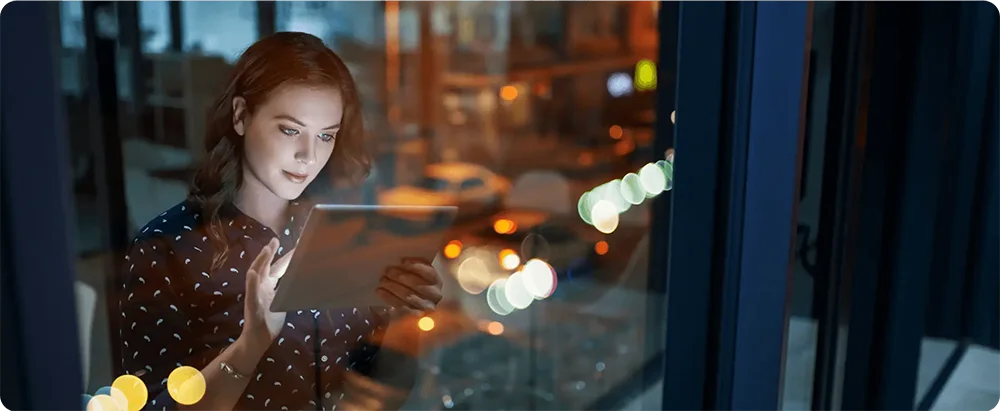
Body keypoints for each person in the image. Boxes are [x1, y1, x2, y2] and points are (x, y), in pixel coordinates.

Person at [118, 32, 442, 411]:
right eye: (290, 130)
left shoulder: (340, 235)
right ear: (241, 115)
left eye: (326, 136)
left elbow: (380, 390)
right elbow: (148, 407)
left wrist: (404, 319)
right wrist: (250, 345)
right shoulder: (166, 248)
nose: (308, 155)